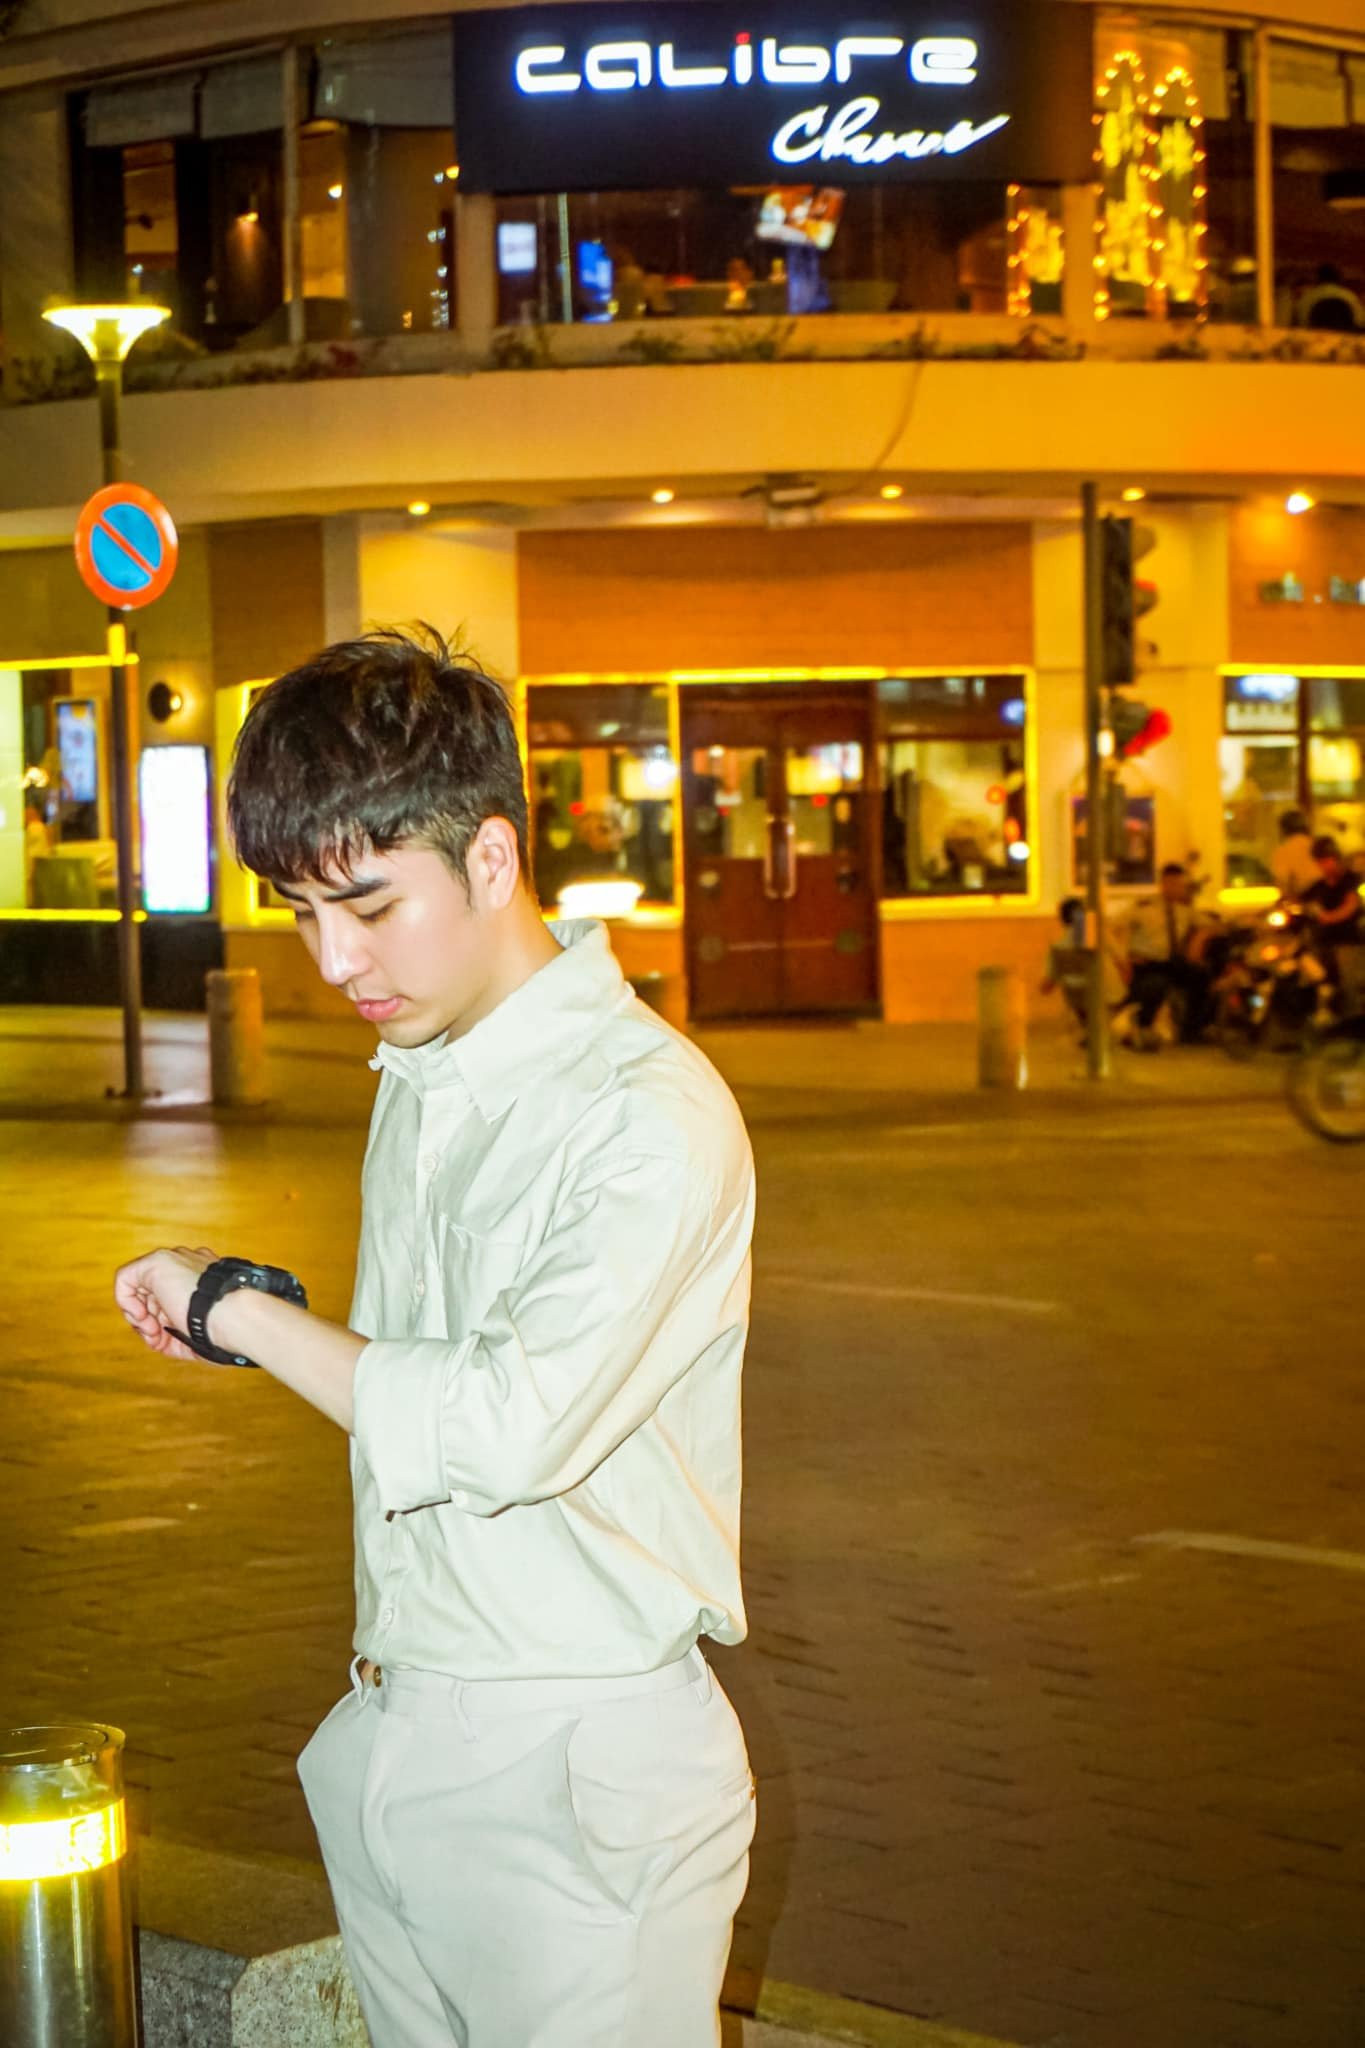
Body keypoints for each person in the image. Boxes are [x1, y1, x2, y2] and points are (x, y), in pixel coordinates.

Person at [112, 627, 757, 2048]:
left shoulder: (646, 1112)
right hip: (399, 1729)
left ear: (492, 856)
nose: (336, 958)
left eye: (369, 903)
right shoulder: (423, 1067)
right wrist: (267, 1328)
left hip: (572, 1768)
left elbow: (504, 1425)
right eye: (301, 911)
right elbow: (435, 1368)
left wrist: (241, 1311)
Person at [1122, 862, 1216, 1049]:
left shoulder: (1184, 909)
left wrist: (1200, 938)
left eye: (1181, 885)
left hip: (1173, 963)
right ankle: (1142, 1028)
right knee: (1155, 985)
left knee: (1202, 976)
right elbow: (1117, 926)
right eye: (1174, 884)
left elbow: (1211, 925)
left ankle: (1192, 1030)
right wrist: (1125, 955)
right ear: (1164, 884)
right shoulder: (1144, 906)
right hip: (1148, 964)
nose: (1178, 889)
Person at [1303, 834, 1363, 992]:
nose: (1324, 865)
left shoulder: (1351, 880)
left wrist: (1329, 917)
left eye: (1327, 860)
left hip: (1348, 943)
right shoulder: (1318, 886)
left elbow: (1351, 905)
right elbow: (1302, 900)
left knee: (1349, 987)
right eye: (1320, 861)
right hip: (1323, 943)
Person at [1271, 809, 1319, 901]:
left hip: (1303, 899)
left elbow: (1282, 881)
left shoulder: (1283, 851)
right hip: (1327, 897)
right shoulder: (1316, 844)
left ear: (1283, 829)